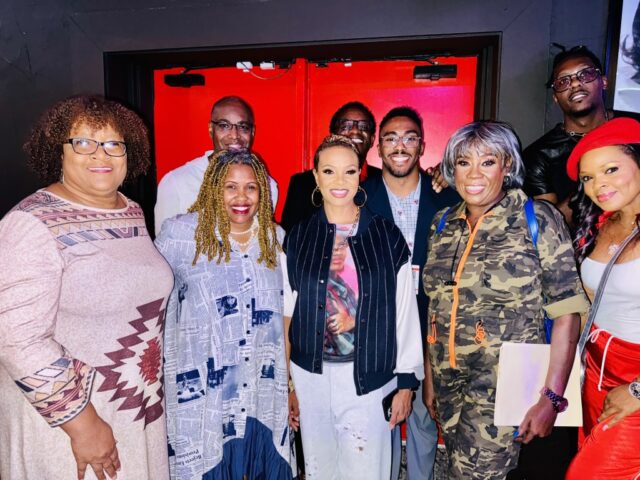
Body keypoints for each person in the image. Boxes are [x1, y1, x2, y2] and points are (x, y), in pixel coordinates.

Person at [0, 95, 174, 480]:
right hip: (73, 424)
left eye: (114, 143)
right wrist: (82, 424)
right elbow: (16, 339)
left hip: (134, 404)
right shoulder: (31, 223)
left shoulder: (129, 210)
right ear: (57, 150)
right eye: (83, 142)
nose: (102, 154)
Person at [423, 121, 588, 479]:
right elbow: (435, 306)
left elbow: (567, 313)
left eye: (488, 161)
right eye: (464, 162)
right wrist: (431, 379)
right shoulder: (442, 224)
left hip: (506, 383)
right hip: (449, 380)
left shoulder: (536, 219)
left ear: (507, 166)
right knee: (457, 468)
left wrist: (552, 397)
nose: (473, 173)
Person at [283, 135, 424, 479]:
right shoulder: (298, 237)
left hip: (369, 377)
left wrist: (406, 382)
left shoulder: (386, 236)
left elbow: (404, 313)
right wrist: (289, 384)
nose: (339, 181)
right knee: (319, 468)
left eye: (348, 171)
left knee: (365, 469)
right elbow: (289, 311)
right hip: (310, 375)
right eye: (329, 171)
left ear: (360, 174)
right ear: (315, 176)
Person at [156, 149, 295, 479]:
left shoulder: (275, 240)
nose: (241, 197)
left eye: (251, 187)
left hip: (262, 391)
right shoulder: (181, 235)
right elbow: (150, 301)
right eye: (230, 187)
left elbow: (286, 316)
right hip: (203, 394)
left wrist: (291, 385)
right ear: (213, 188)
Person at [362, 106, 459, 480]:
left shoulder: (448, 199)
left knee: (423, 419)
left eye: (409, 137)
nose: (399, 145)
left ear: (422, 145)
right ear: (378, 147)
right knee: (378, 421)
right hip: (377, 328)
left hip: (431, 325)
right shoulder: (359, 197)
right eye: (390, 138)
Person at [563, 118, 640, 479]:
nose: (599, 185)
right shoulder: (602, 221)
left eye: (611, 169)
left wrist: (638, 391)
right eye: (588, 178)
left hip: (634, 375)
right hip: (594, 368)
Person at [154, 95, 278, 235]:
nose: (234, 135)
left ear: (252, 132)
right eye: (224, 126)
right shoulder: (176, 182)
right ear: (211, 129)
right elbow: (162, 247)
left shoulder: (267, 185)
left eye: (243, 127)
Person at [523, 46, 610, 226]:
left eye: (585, 74)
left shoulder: (633, 127)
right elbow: (549, 226)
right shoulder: (539, 155)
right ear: (555, 97)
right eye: (563, 81)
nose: (576, 83)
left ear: (604, 81)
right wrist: (588, 185)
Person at [280, 101, 380, 232]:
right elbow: (291, 240)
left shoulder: (383, 182)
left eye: (363, 127)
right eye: (345, 126)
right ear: (333, 136)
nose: (355, 130)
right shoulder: (302, 184)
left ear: (372, 140)